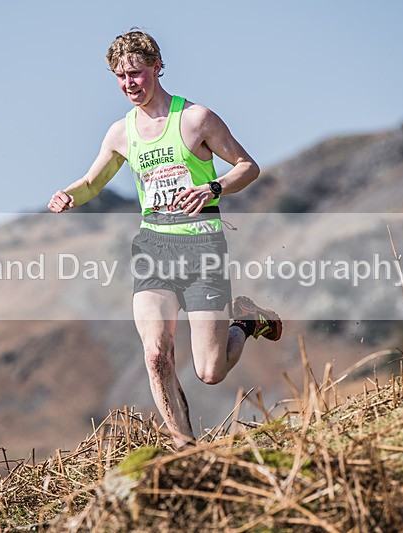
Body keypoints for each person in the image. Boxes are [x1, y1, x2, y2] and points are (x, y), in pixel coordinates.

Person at [48, 29, 281, 447]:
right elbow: (90, 183)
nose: (128, 84)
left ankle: (246, 322)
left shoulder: (195, 119)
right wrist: (69, 195)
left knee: (210, 371)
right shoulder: (121, 133)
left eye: (135, 73)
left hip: (203, 247)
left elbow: (248, 167)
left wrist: (214, 188)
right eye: (119, 77)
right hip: (155, 248)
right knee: (156, 355)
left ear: (157, 68)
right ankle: (184, 447)